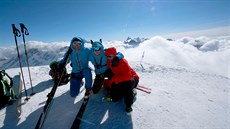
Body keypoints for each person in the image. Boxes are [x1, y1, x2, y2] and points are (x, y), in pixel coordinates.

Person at [104, 47, 139, 114]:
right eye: (107, 56)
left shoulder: (122, 61)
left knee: (126, 87)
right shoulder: (109, 61)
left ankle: (129, 104)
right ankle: (123, 92)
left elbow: (128, 76)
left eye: (110, 56)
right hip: (120, 78)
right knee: (115, 98)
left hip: (132, 78)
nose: (108, 58)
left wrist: (113, 79)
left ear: (114, 55)